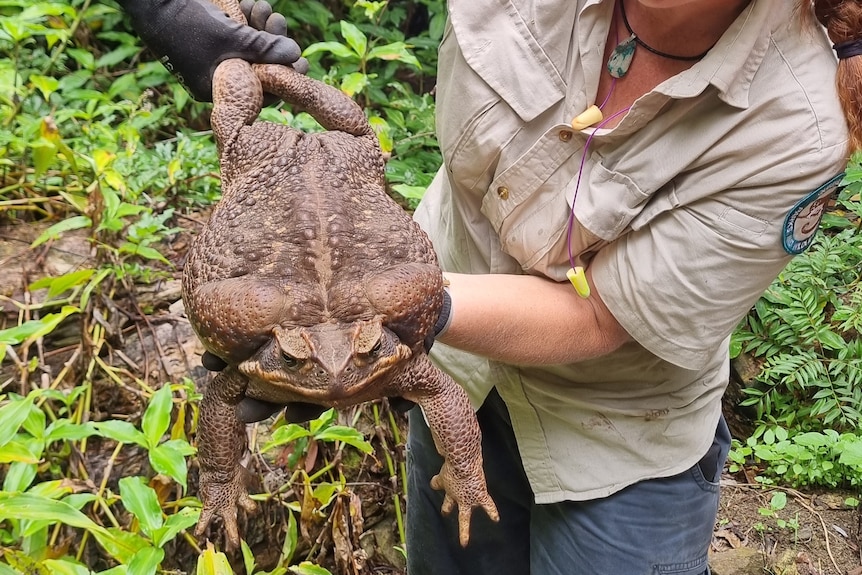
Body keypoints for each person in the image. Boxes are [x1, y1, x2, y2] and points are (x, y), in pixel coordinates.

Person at [120, 1, 862, 573]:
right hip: (449, 368)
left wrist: (393, 315)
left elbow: (602, 317)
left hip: (613, 427)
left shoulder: (796, 121)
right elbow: (228, 393)